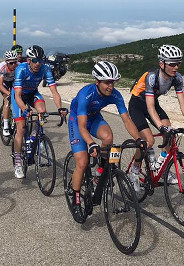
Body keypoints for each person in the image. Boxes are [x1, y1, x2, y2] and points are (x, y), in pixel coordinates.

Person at [68, 61, 146, 224]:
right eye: (106, 82)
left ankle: (99, 172)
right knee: (82, 163)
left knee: (108, 138)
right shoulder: (85, 94)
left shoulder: (115, 95)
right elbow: (82, 127)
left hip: (95, 118)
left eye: (113, 82)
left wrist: (139, 139)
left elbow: (126, 119)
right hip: (78, 121)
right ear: (97, 81)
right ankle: (75, 199)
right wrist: (91, 143)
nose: (110, 86)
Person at [128, 44, 184, 185]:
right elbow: (149, 107)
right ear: (161, 64)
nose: (176, 67)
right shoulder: (151, 77)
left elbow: (182, 102)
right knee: (148, 141)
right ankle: (135, 170)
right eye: (172, 64)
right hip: (137, 104)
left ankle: (163, 168)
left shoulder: (177, 78)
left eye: (178, 64)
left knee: (170, 132)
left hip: (152, 103)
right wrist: (160, 126)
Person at [12, 45, 68, 179]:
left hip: (32, 94)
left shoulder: (45, 69)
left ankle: (35, 136)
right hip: (19, 96)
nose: (38, 63)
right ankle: (18, 162)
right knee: (21, 128)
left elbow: (54, 92)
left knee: (42, 111)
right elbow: (18, 96)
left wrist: (60, 108)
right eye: (35, 60)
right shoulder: (21, 69)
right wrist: (25, 110)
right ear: (29, 60)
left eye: (40, 60)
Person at [0, 50, 19, 136]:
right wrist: (9, 93)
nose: (14, 65)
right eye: (11, 63)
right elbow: (0, 85)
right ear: (6, 63)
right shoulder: (2, 67)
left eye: (15, 62)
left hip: (13, 81)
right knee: (7, 100)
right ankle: (6, 126)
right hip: (4, 83)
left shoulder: (19, 66)